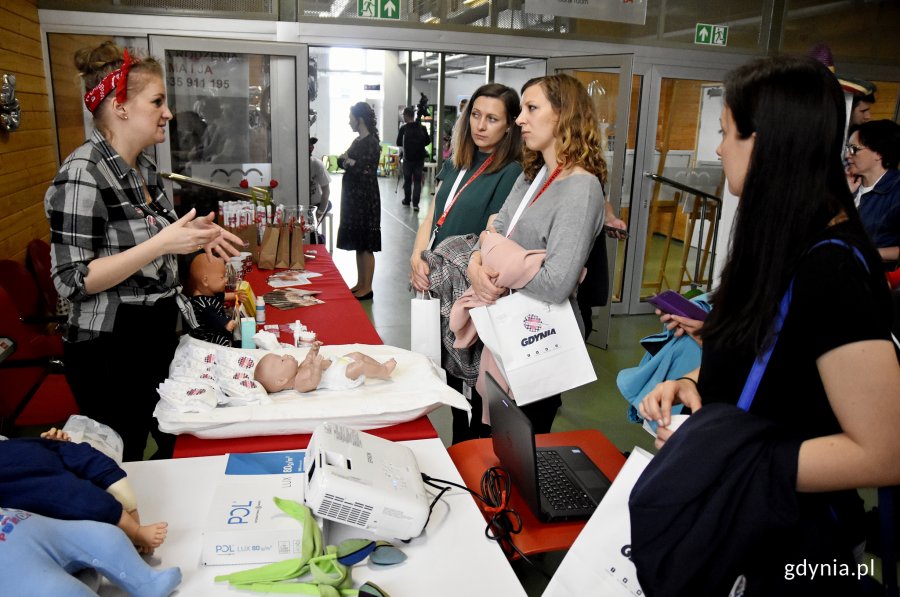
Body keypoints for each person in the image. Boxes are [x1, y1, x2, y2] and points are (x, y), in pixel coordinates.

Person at [639, 55, 900, 593]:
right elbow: (769, 365)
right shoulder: (777, 244)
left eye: (725, 133)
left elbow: (884, 451)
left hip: (798, 552)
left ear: (766, 142)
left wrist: (727, 458)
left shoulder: (832, 269)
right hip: (748, 526)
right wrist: (693, 386)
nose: (717, 149)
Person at [44, 41, 243, 461]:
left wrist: (194, 237)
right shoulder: (82, 174)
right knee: (124, 458)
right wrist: (164, 241)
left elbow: (156, 244)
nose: (168, 113)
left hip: (153, 334)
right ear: (120, 106)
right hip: (109, 349)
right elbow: (71, 281)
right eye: (157, 101)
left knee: (179, 442)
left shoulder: (143, 169)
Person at [466, 74, 617, 433]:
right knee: (483, 430)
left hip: (538, 338)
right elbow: (491, 234)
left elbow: (556, 283)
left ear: (564, 116)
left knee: (515, 444)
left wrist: (496, 259)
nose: (520, 119)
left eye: (532, 108)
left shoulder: (582, 187)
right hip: (502, 327)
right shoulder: (531, 175)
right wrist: (475, 266)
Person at [409, 82, 523, 443]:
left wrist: (472, 268)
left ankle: (473, 456)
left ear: (509, 126)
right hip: (439, 279)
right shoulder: (458, 160)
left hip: (471, 289)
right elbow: (433, 213)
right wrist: (416, 255)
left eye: (492, 118)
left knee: (474, 382)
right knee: (452, 379)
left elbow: (494, 235)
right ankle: (460, 451)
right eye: (475, 115)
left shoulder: (510, 173)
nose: (481, 125)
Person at [0, 428, 168, 554]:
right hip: (27, 455)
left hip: (24, 455)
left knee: (79, 489)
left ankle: (134, 529)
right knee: (79, 486)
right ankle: (134, 529)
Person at [336, 101, 381, 300]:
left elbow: (367, 170)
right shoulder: (357, 141)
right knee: (358, 242)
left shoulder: (371, 142)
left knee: (366, 245)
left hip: (365, 200)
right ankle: (360, 282)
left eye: (350, 118)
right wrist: (347, 161)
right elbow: (342, 160)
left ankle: (368, 287)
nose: (348, 122)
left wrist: (350, 162)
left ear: (359, 119)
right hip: (354, 199)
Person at [845, 119, 900, 263]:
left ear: (878, 153)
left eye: (854, 149)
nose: (847, 155)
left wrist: (868, 253)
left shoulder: (896, 193)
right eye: (847, 148)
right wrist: (845, 195)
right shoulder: (848, 183)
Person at [254, 344, 396, 393]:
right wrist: (316, 366)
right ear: (281, 380)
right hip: (341, 376)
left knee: (357, 355)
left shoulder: (299, 369)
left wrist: (313, 350)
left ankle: (379, 366)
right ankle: (384, 372)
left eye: (281, 355)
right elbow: (314, 382)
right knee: (360, 365)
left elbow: (309, 358)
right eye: (282, 360)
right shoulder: (299, 384)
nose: (285, 355)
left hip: (337, 364)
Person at [187, 253, 240, 347]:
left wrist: (235, 295)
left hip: (216, 327)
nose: (226, 280)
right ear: (205, 281)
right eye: (222, 277)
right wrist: (226, 324)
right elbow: (212, 317)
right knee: (225, 341)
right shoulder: (202, 305)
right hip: (208, 338)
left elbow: (221, 297)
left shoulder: (209, 292)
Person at [396, 106, 430, 210]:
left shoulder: (403, 128)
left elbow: (398, 143)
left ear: (406, 115)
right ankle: (415, 204)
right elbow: (428, 141)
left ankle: (407, 200)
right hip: (419, 159)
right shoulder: (422, 127)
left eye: (404, 115)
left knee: (407, 181)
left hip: (407, 159)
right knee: (417, 181)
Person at [308, 136, 331, 236]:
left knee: (311, 234)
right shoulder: (293, 165)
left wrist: (319, 213)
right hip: (302, 206)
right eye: (309, 144)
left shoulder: (317, 164)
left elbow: (326, 191)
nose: (311, 147)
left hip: (316, 205)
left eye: (312, 145)